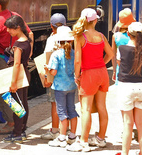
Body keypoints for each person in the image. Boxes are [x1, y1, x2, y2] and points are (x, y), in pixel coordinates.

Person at [67, 8, 114, 152]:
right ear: (95, 21)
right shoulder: (101, 36)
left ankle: (83, 142)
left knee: (86, 109)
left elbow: (77, 61)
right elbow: (111, 54)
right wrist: (100, 64)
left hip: (88, 74)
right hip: (102, 73)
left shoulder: (80, 37)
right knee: (102, 106)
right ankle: (100, 138)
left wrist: (77, 76)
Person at [0, 0, 34, 135]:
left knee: (4, 94)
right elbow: (30, 33)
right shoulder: (16, 17)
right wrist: (29, 52)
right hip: (18, 59)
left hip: (4, 59)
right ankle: (21, 123)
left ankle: (11, 122)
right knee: (20, 96)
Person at [116, 22, 142, 155]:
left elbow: (120, 63)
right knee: (141, 123)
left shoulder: (122, 49)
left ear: (128, 34)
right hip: (141, 88)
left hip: (126, 88)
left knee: (128, 124)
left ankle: (125, 153)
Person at [47, 26, 78, 147]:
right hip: (71, 86)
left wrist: (47, 69)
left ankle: (61, 138)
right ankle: (73, 135)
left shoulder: (56, 54)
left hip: (60, 87)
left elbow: (53, 72)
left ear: (58, 41)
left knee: (61, 111)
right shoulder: (74, 53)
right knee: (71, 109)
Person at [2, 14, 32, 143]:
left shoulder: (18, 44)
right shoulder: (27, 41)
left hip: (18, 75)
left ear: (17, 28)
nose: (8, 31)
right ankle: (22, 130)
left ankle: (17, 133)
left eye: (10, 29)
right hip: (25, 73)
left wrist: (13, 83)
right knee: (23, 102)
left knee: (16, 105)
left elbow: (16, 64)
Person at [41, 13, 65, 141]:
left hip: (55, 76)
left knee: (55, 104)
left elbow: (48, 58)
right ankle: (67, 130)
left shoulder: (52, 39)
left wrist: (47, 77)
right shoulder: (70, 38)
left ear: (51, 26)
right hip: (67, 77)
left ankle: (55, 130)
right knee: (67, 104)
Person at [112, 8, 135, 84]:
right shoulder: (135, 35)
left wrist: (114, 71)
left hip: (121, 69)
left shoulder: (115, 36)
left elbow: (113, 55)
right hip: (134, 69)